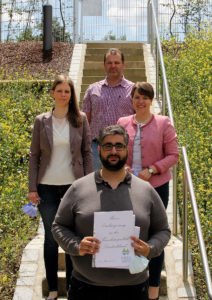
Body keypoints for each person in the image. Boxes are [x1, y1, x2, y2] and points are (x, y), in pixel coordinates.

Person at [52, 124, 171, 300]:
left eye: (119, 146)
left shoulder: (146, 190)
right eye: (108, 145)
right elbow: (59, 226)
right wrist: (76, 245)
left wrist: (150, 248)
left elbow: (163, 231)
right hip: (85, 288)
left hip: (134, 289)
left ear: (126, 150)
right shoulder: (79, 188)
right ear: (99, 149)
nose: (113, 151)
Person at [28, 74, 93, 300]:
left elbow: (86, 153)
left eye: (67, 91)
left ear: (71, 95)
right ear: (52, 93)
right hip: (46, 187)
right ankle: (54, 289)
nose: (63, 94)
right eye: (60, 90)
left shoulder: (81, 119)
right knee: (50, 238)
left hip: (73, 188)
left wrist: (88, 183)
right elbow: (34, 155)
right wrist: (32, 187)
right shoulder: (41, 120)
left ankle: (75, 288)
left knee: (73, 237)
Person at [117, 82, 179, 300]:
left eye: (144, 97)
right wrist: (122, 168)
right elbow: (117, 149)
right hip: (128, 187)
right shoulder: (122, 122)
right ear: (131, 100)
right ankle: (130, 283)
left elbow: (173, 155)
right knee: (129, 234)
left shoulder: (163, 123)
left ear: (151, 100)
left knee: (155, 238)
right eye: (136, 97)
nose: (140, 101)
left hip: (156, 188)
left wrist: (153, 169)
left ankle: (153, 290)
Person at [82, 48, 135, 169]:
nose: (113, 66)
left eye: (116, 62)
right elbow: (85, 121)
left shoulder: (133, 90)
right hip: (97, 149)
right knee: (97, 185)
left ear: (123, 65)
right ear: (104, 65)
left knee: (123, 186)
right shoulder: (92, 90)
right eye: (109, 63)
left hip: (123, 148)